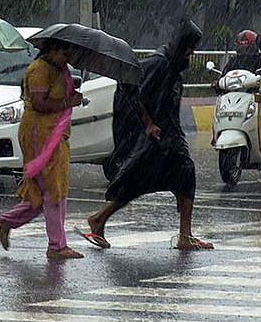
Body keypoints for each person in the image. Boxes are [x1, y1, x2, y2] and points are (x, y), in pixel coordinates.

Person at [81, 19, 214, 251]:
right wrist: (149, 123)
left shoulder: (173, 65)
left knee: (183, 175)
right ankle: (99, 219)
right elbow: (134, 90)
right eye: (190, 46)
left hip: (170, 136)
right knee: (141, 181)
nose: (192, 52)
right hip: (157, 137)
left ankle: (184, 235)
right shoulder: (159, 63)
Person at [0, 39, 85, 260]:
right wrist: (68, 103)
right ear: (51, 50)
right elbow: (40, 103)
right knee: (52, 190)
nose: (67, 59)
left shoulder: (58, 69)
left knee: (53, 190)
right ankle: (56, 246)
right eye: (64, 54)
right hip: (39, 134)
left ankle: (6, 221)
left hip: (56, 134)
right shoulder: (38, 70)